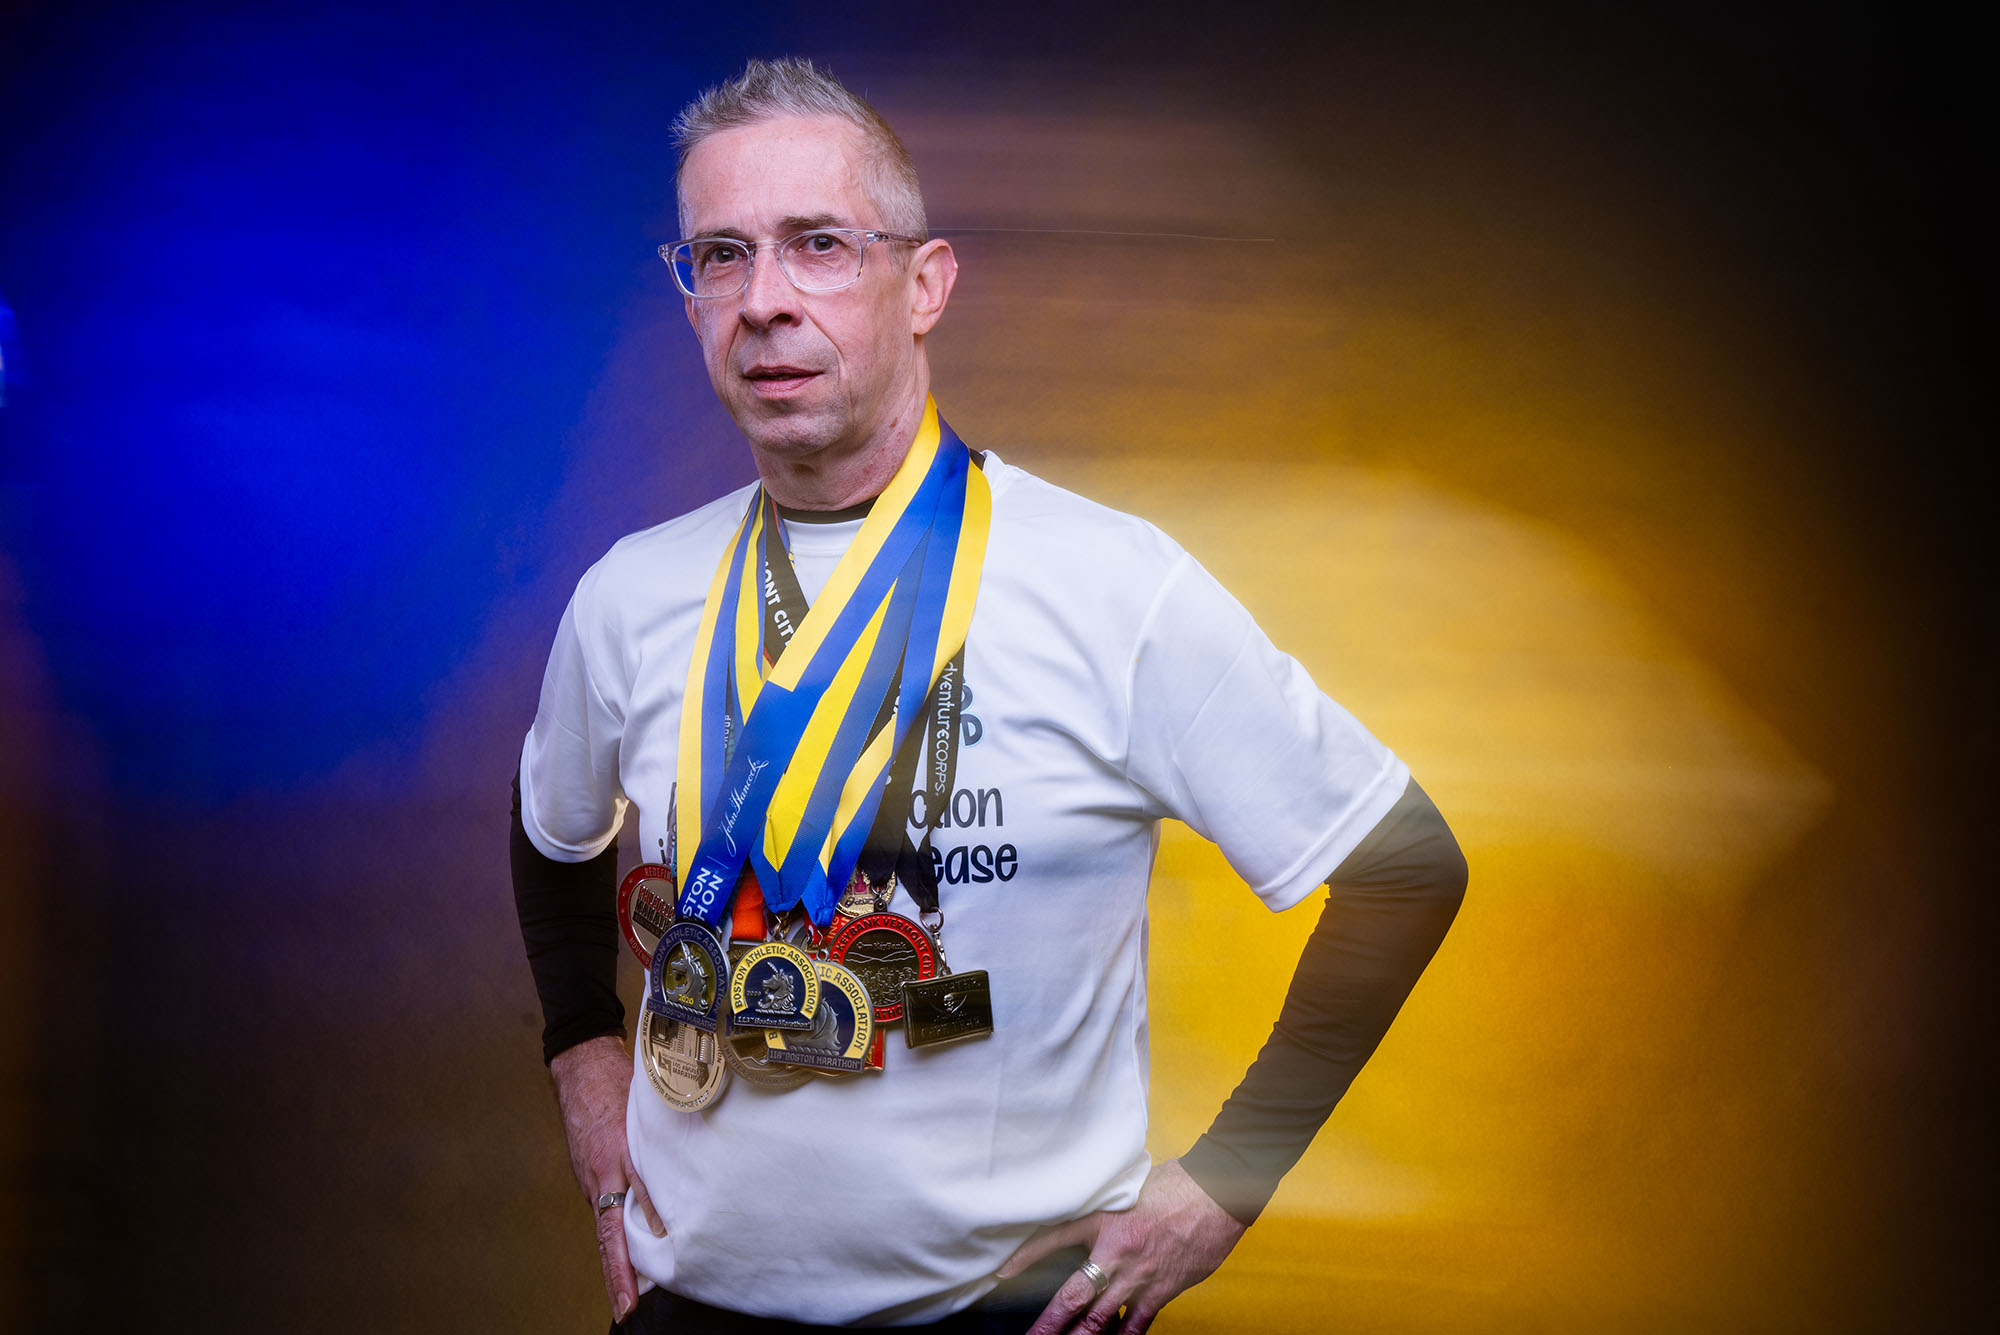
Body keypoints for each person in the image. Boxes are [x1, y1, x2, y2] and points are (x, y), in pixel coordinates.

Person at [512, 57, 1466, 1335]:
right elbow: (549, 833)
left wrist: (1228, 1182)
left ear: (925, 284)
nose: (764, 302)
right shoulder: (627, 596)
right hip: (690, 1304)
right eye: (720, 257)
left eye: (819, 245)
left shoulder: (1110, 586)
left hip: (1008, 1315)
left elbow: (1405, 866)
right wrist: (580, 1045)